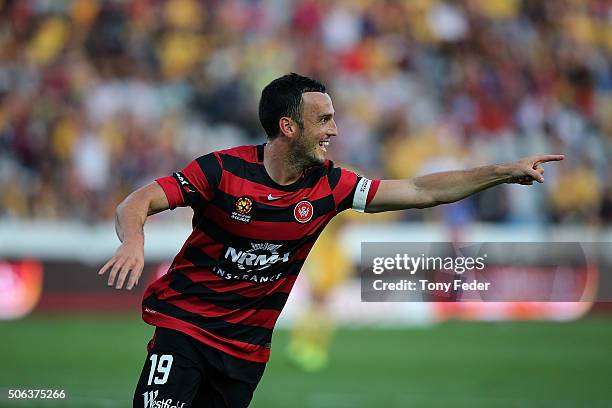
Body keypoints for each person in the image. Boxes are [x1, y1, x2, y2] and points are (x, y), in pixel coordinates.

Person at [98, 73, 564, 408]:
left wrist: (501, 172)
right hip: (185, 332)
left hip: (246, 351)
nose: (334, 131)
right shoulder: (221, 169)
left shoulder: (332, 185)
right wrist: (132, 239)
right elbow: (138, 200)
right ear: (288, 127)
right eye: (323, 120)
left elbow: (420, 190)